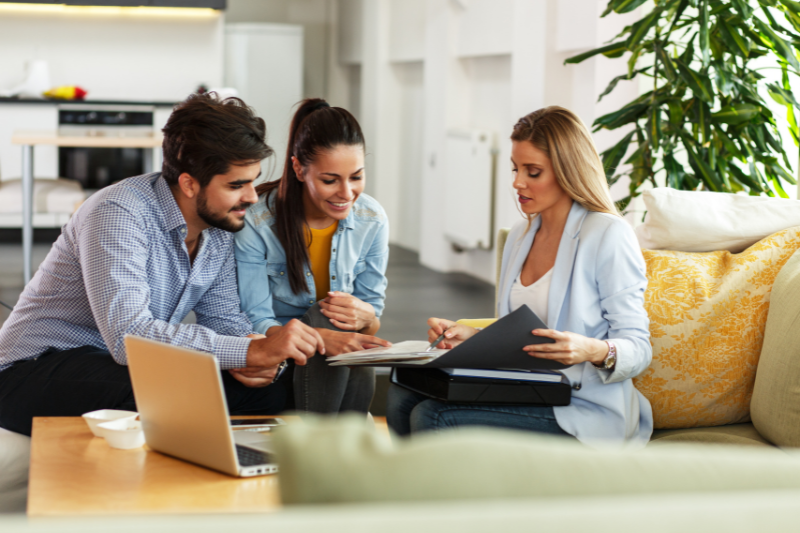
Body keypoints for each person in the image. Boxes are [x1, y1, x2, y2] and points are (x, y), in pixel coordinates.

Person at [0, 93, 324, 436]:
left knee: (269, 392)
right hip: (33, 369)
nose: (251, 197)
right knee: (170, 390)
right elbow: (129, 337)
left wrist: (259, 360)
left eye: (252, 181)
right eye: (236, 185)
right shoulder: (118, 213)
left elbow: (225, 319)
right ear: (188, 183)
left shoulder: (218, 230)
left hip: (113, 365)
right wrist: (249, 350)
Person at [386, 106, 653, 449]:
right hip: (527, 390)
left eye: (533, 171)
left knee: (433, 416)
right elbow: (522, 335)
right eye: (516, 168)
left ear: (567, 171)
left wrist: (590, 349)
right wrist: (474, 336)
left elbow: (639, 348)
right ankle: (411, 500)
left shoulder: (607, 235)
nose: (517, 182)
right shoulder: (520, 235)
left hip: (583, 407)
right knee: (401, 397)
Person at [235, 98, 390, 415]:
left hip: (337, 361)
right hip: (281, 356)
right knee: (326, 315)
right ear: (298, 169)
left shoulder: (372, 219)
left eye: (356, 177)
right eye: (330, 180)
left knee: (344, 321)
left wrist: (367, 318)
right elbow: (256, 319)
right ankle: (337, 444)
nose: (346, 193)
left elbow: (371, 318)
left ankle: (335, 447)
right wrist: (321, 336)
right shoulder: (257, 221)